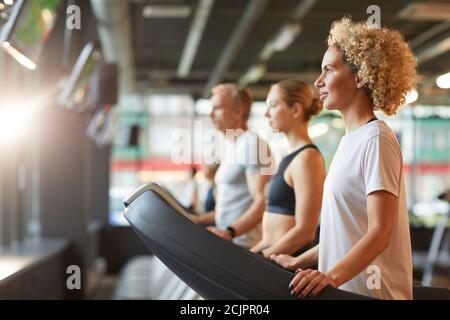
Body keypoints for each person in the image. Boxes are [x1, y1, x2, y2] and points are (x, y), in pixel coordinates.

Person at [271, 17, 416, 300]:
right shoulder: (349, 141)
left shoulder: (376, 139)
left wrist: (330, 276)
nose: (318, 81)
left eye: (328, 70)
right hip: (345, 292)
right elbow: (343, 235)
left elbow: (380, 231)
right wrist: (296, 261)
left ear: (360, 77)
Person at [190, 83, 273, 249]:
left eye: (218, 108)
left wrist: (230, 232)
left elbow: (261, 201)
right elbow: (231, 206)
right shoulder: (234, 145)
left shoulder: (252, 144)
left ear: (238, 111)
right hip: (228, 243)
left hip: (244, 246)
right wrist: (197, 219)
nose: (211, 114)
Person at [250, 80, 325, 258]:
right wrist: (251, 256)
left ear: (296, 110)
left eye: (273, 105)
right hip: (271, 256)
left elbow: (305, 232)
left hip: (285, 266)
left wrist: (262, 259)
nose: (267, 113)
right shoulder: (289, 157)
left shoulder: (307, 159)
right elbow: (270, 236)